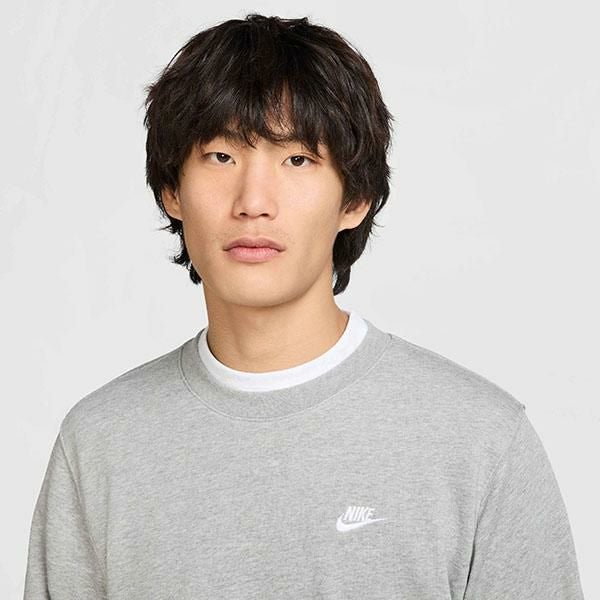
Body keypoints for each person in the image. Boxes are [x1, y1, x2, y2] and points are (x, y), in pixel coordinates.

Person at [23, 13, 585, 599]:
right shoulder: (99, 444)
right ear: (172, 190)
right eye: (220, 156)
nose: (253, 202)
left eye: (297, 160)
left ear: (355, 198)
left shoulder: (481, 441)